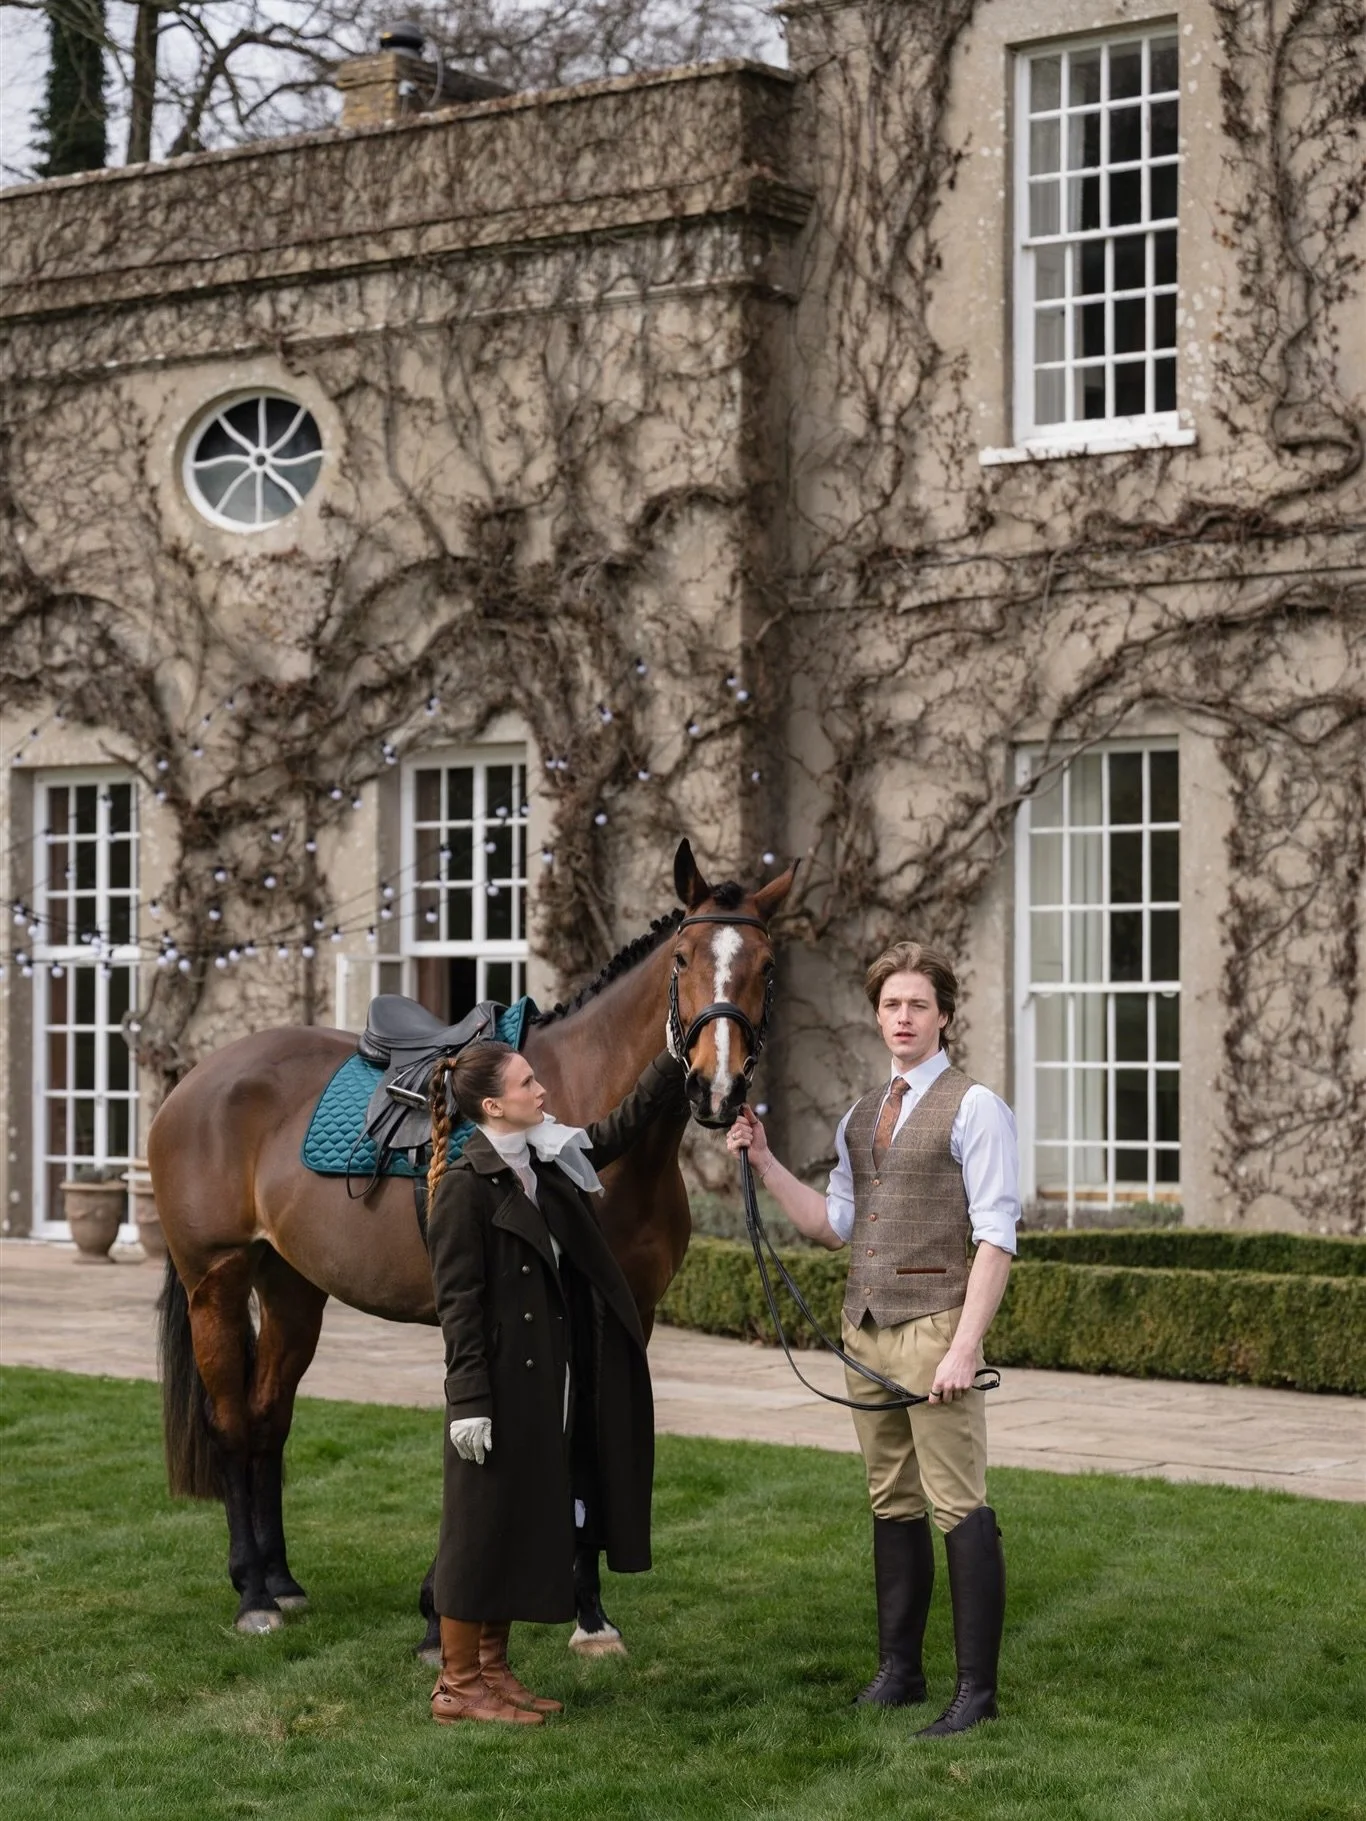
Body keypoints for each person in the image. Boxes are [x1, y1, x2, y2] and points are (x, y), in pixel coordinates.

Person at [726, 940, 1018, 1737]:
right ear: (877, 1012)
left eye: (917, 1003)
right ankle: (900, 1671)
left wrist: (964, 1345)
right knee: (891, 1501)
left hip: (934, 1330)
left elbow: (997, 1236)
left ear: (944, 1014)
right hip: (866, 1329)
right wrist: (764, 1158)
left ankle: (976, 1693)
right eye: (891, 1003)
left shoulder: (975, 1106)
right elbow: (834, 1225)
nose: (902, 1017)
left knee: (959, 1505)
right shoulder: (863, 1112)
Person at [423, 1039, 686, 1726]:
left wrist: (668, 1057)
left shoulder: (545, 1155)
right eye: (527, 1081)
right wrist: (470, 1401)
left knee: (515, 1525)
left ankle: (493, 1670)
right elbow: (458, 1304)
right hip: (499, 1390)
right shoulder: (463, 1186)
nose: (542, 1090)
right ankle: (455, 1684)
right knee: (475, 1533)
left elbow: (615, 1132)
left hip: (550, 1385)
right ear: (492, 1105)